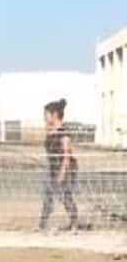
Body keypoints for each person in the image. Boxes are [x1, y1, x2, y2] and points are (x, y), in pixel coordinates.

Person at [39, 98, 79, 233]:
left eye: (46, 114)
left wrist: (63, 172)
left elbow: (67, 154)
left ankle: (74, 224)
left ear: (54, 114)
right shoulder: (51, 132)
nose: (44, 117)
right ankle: (41, 225)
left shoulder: (64, 133)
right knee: (48, 196)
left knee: (65, 196)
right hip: (53, 169)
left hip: (64, 169)